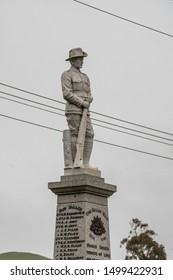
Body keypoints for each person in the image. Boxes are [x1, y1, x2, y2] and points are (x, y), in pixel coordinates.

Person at [61, 48, 94, 168]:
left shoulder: (85, 77)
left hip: (86, 110)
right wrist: (81, 103)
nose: (82, 61)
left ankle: (86, 163)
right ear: (73, 61)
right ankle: (76, 163)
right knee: (75, 134)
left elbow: (89, 93)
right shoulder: (66, 75)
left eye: (82, 59)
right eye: (80, 59)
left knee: (89, 134)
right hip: (73, 109)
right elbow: (67, 93)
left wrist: (90, 99)